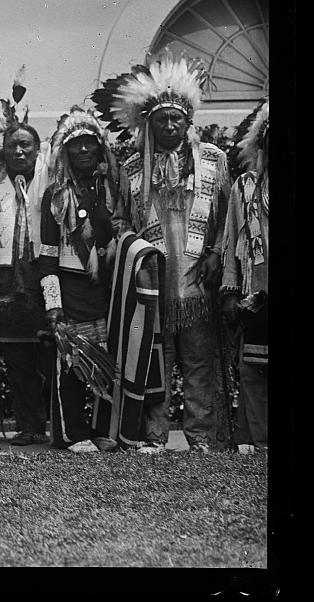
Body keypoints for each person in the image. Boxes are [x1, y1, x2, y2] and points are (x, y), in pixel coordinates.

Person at [93, 47, 230, 453]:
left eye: (176, 118)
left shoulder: (213, 161)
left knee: (199, 362)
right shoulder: (133, 168)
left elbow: (228, 218)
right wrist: (136, 258)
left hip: (197, 283)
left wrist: (214, 253)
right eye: (161, 119)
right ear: (148, 124)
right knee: (156, 361)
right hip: (153, 283)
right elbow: (121, 221)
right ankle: (153, 436)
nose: (169, 126)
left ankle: (201, 438)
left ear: (188, 121)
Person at [38, 107, 122, 453]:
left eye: (90, 142)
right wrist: (53, 304)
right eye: (76, 144)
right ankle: (71, 433)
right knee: (71, 363)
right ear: (66, 152)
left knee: (108, 363)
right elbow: (47, 255)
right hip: (70, 290)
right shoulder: (56, 196)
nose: (84, 149)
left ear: (100, 147)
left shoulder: (114, 189)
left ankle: (102, 429)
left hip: (108, 289)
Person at [0, 82, 53, 448]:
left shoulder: (51, 184)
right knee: (18, 360)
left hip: (45, 276)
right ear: (4, 151)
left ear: (38, 150)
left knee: (52, 355)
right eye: (12, 145)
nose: (19, 150)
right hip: (8, 281)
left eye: (26, 144)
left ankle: (64, 425)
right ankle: (30, 426)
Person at [221, 97, 269, 454]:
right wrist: (230, 292)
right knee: (254, 370)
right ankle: (261, 441)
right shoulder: (245, 187)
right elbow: (230, 243)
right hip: (259, 295)